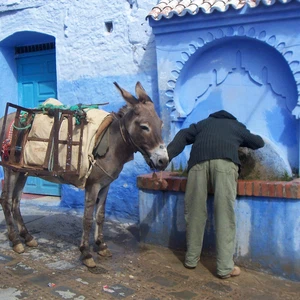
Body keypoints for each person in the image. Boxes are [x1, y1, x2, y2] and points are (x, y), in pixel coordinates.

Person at [167, 110, 264, 279]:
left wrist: (168, 154)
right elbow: (257, 143)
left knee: (195, 212)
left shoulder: (203, 124)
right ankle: (225, 268)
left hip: (198, 165)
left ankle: (191, 260)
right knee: (224, 215)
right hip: (225, 166)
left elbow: (183, 134)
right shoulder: (236, 126)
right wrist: (249, 138)